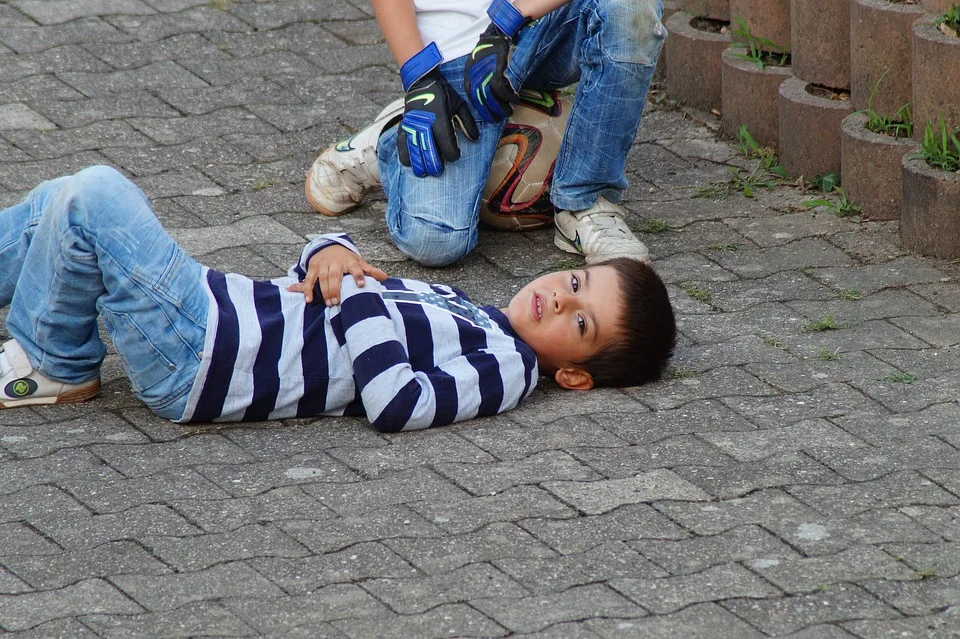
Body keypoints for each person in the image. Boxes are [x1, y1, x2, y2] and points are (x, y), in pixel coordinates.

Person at [0, 166, 675, 431]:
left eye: (580, 321)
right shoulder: (463, 303)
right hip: (218, 310)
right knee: (61, 204)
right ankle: (49, 346)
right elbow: (327, 283)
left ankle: (54, 364)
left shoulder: (507, 368)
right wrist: (330, 251)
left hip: (206, 355)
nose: (559, 299)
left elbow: (397, 403)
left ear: (575, 374)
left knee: (97, 197)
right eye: (576, 284)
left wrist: (355, 290)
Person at [306, 0, 667, 267]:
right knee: (436, 241)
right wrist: (418, 77)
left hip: (538, 18)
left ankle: (584, 202)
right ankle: (386, 140)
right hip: (450, 51)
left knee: (630, 8)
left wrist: (509, 18)